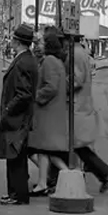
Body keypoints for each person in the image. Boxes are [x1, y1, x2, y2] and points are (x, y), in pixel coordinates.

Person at [70, 33, 108, 193]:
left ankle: (104, 171)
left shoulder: (74, 54)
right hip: (83, 105)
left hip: (77, 105)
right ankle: (99, 170)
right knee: (78, 145)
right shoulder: (82, 52)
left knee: (76, 144)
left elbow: (76, 81)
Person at [0, 24, 38, 206]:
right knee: (14, 157)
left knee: (16, 158)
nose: (11, 41)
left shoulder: (23, 62)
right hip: (19, 118)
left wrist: (8, 110)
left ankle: (18, 195)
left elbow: (24, 93)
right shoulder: (26, 59)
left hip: (17, 119)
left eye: (13, 39)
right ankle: (14, 192)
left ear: (18, 41)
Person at [28, 28, 69, 197]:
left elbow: (51, 87)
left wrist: (36, 97)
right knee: (44, 150)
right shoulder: (55, 61)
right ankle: (43, 182)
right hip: (51, 112)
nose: (39, 45)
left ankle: (68, 176)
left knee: (46, 149)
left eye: (42, 42)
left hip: (48, 112)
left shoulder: (49, 61)